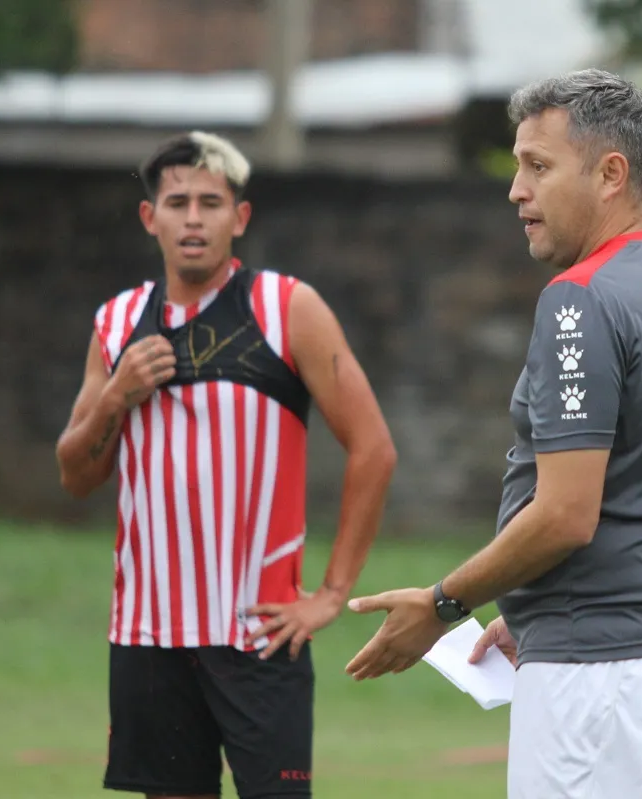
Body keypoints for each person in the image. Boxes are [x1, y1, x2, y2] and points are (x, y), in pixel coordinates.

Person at [341, 68, 642, 799]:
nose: (516, 190)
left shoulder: (580, 299)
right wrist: (540, 606)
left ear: (611, 173)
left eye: (538, 167)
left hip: (599, 674)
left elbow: (564, 513)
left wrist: (442, 604)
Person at [55, 131, 398, 799]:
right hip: (148, 634)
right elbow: (76, 474)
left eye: (210, 202)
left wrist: (329, 593)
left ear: (239, 219)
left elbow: (374, 448)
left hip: (258, 634)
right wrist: (116, 396)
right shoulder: (117, 322)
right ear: (149, 218)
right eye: (176, 201)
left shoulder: (287, 308)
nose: (193, 217)